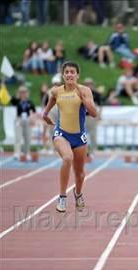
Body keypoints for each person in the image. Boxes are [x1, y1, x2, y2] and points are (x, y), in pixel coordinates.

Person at [42, 61, 97, 213]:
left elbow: (94, 113)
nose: (69, 74)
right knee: (67, 158)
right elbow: (52, 99)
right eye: (67, 72)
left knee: (79, 173)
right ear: (63, 75)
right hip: (62, 133)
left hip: (79, 137)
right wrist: (45, 113)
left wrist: (83, 99)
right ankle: (62, 197)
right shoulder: (56, 91)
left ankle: (78, 193)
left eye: (73, 72)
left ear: (77, 75)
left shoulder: (85, 90)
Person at [11, 86, 37, 161]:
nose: (23, 94)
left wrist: (33, 119)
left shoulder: (29, 102)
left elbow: (34, 112)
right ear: (19, 93)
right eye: (21, 92)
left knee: (27, 137)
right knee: (18, 137)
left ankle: (27, 153)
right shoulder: (17, 100)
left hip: (27, 119)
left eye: (24, 92)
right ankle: (17, 153)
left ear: (27, 93)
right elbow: (11, 100)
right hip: (19, 119)